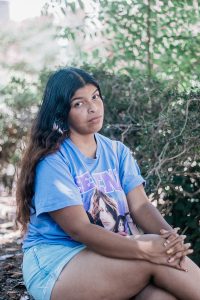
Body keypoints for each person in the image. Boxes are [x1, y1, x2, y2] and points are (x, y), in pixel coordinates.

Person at [16, 67, 200, 300]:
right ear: (62, 112)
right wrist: (146, 248)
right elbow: (79, 229)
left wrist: (170, 238)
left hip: (111, 253)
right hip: (58, 263)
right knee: (158, 258)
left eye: (95, 97)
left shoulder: (117, 151)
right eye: (78, 104)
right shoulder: (54, 161)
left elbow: (141, 206)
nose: (92, 107)